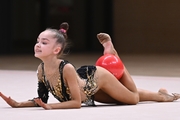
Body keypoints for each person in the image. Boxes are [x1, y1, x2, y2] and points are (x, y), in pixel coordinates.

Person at [0, 22, 180, 110]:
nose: (38, 44)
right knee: (121, 97)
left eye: (44, 42)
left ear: (56, 50)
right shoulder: (41, 71)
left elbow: (77, 103)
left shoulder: (66, 68)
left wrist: (52, 108)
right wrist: (18, 104)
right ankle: (164, 95)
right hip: (89, 89)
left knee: (131, 99)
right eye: (38, 41)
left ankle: (112, 54)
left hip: (97, 78)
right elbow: (42, 100)